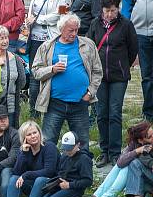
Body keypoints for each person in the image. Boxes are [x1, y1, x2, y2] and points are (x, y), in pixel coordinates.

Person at [32, 13, 102, 150]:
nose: (74, 33)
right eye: (71, 30)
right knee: (48, 143)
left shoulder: (87, 45)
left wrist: (90, 93)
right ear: (61, 29)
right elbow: (35, 71)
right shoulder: (47, 47)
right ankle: (49, 170)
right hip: (54, 103)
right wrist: (51, 69)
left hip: (79, 103)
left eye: (76, 30)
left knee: (82, 144)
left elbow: (97, 72)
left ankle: (82, 170)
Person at [87, 0, 138, 166]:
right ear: (102, 9)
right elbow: (89, 47)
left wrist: (123, 64)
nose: (109, 14)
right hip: (99, 76)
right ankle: (104, 151)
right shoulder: (95, 24)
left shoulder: (126, 25)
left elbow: (133, 49)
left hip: (119, 75)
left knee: (115, 112)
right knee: (101, 113)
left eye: (113, 10)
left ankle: (115, 151)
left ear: (118, 9)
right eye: (107, 10)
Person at [25, 0, 72, 115]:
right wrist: (30, 18)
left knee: (50, 73)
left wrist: (39, 19)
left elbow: (61, 14)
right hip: (35, 37)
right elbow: (32, 7)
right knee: (34, 74)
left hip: (51, 38)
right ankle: (34, 111)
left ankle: (52, 110)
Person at [0, 120, 58, 197]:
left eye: (35, 132)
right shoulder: (25, 149)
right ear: (24, 138)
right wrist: (24, 153)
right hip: (32, 186)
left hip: (48, 185)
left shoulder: (49, 146)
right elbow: (17, 172)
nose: (33, 136)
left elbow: (49, 171)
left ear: (39, 133)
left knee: (40, 179)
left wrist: (26, 175)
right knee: (14, 178)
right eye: (29, 135)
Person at [86, 122, 153, 197]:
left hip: (149, 182)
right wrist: (137, 151)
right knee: (121, 166)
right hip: (138, 179)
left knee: (129, 165)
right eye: (150, 136)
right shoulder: (134, 144)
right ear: (140, 140)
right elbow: (120, 162)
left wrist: (136, 153)